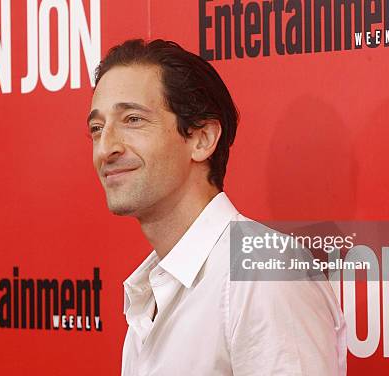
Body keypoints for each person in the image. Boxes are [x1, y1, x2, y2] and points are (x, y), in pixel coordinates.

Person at [87, 39, 346, 375]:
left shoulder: (261, 272)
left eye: (133, 120)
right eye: (96, 128)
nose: (106, 147)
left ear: (201, 139)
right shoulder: (151, 288)